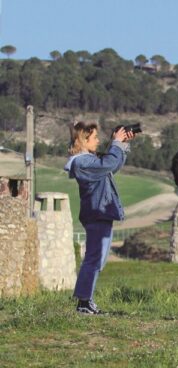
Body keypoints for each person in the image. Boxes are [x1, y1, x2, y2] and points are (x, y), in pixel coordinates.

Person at [64, 122, 134, 314]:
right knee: (94, 258)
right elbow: (109, 163)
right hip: (96, 213)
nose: (97, 141)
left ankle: (85, 300)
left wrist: (122, 145)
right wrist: (116, 143)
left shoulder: (89, 160)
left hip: (100, 213)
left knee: (98, 259)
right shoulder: (82, 162)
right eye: (94, 138)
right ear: (84, 140)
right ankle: (83, 302)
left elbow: (113, 165)